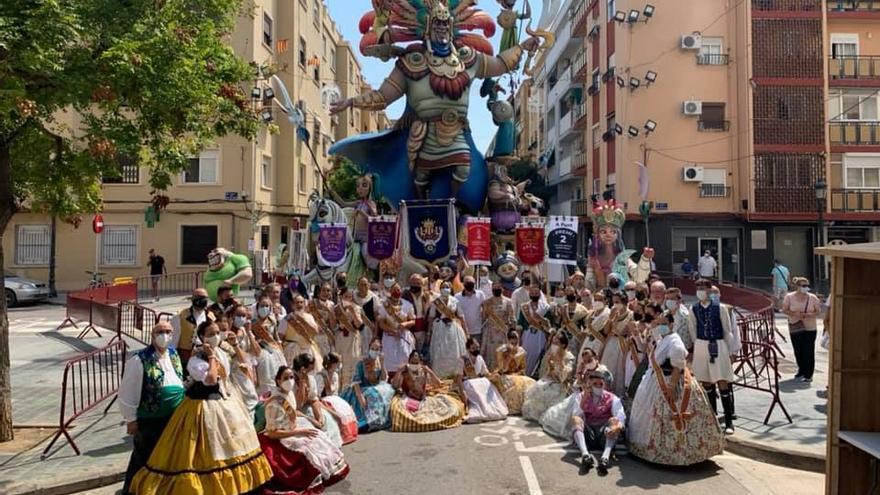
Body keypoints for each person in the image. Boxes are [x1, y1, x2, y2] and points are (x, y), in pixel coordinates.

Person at [129, 320, 272, 493]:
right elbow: (210, 379)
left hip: (226, 402)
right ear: (202, 337)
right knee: (196, 451)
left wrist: (232, 346)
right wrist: (211, 356)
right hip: (201, 408)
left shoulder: (214, 351)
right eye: (211, 334)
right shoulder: (196, 358)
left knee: (230, 446)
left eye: (217, 332)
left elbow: (245, 363)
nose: (215, 336)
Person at [629, 312, 724, 465]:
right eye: (658, 323)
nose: (660, 326)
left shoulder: (675, 341)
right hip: (655, 380)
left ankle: (678, 453)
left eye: (664, 323)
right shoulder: (663, 339)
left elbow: (678, 366)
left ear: (672, 324)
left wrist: (671, 387)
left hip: (670, 382)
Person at [258, 366, 350, 494]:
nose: (289, 381)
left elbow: (293, 411)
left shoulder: (287, 394)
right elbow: (273, 433)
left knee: (318, 436)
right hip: (281, 436)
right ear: (278, 381)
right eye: (285, 378)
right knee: (308, 447)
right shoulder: (274, 403)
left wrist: (310, 420)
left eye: (291, 377)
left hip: (292, 427)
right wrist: (299, 432)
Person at [119, 322, 184, 494]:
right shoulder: (140, 359)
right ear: (152, 335)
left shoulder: (173, 354)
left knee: (167, 457)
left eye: (168, 332)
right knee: (143, 457)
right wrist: (131, 419)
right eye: (160, 332)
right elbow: (128, 391)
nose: (165, 335)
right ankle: (132, 490)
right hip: (151, 419)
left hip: (173, 417)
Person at [688, 279, 736, 435]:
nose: (700, 291)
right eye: (698, 288)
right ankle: (712, 418)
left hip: (719, 345)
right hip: (702, 345)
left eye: (703, 288)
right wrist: (698, 345)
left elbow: (727, 330)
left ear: (709, 290)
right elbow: (693, 328)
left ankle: (728, 421)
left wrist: (730, 351)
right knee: (706, 382)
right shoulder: (694, 308)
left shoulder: (720, 308)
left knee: (722, 380)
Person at [389, 351, 466, 432]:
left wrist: (429, 371)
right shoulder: (404, 371)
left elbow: (437, 384)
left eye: (416, 362)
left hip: (423, 399)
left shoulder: (423, 371)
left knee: (449, 408)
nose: (414, 365)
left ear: (420, 362)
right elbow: (395, 385)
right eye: (412, 362)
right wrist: (399, 371)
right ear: (409, 361)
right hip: (408, 398)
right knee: (402, 412)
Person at [571, 369, 626, 475]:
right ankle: (585, 455)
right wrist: (585, 398)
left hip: (604, 434)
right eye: (595, 384)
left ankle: (605, 458)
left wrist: (617, 427)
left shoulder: (612, 397)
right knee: (575, 419)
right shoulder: (581, 396)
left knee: (614, 420)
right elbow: (577, 415)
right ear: (589, 385)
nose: (598, 386)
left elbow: (621, 416)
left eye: (601, 384)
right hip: (588, 434)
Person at [540, 347, 602, 440]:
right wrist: (579, 374)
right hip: (582, 395)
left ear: (596, 357)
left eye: (590, 360)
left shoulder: (602, 371)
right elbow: (580, 385)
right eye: (585, 362)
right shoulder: (586, 371)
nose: (588, 363)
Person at [340, 338, 396, 432]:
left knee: (389, 389)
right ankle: (367, 422)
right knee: (372, 394)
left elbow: (383, 379)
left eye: (377, 349)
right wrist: (360, 396)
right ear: (369, 348)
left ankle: (381, 419)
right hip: (360, 389)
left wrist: (382, 364)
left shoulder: (379, 361)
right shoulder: (362, 362)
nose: (374, 351)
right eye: (373, 348)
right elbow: (355, 382)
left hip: (374, 387)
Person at [292, 353, 344, 448]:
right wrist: (302, 383)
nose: (311, 373)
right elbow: (297, 406)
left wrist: (318, 416)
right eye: (309, 370)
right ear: (302, 369)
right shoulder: (291, 382)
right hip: (294, 413)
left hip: (308, 408)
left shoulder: (310, 379)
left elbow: (314, 400)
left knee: (326, 420)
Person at [522, 333, 575, 421]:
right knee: (537, 387)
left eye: (556, 343)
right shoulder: (551, 355)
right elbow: (549, 373)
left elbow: (564, 377)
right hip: (551, 380)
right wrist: (550, 367)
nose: (553, 345)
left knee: (548, 393)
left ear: (563, 345)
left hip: (562, 385)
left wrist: (560, 360)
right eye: (553, 343)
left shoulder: (569, 357)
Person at [458, 337, 508, 423]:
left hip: (479, 382)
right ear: (468, 348)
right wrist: (463, 392)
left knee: (487, 384)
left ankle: (490, 410)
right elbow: (459, 378)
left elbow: (486, 373)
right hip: (467, 383)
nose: (476, 350)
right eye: (473, 348)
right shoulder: (462, 359)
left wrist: (494, 375)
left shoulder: (479, 358)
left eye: (477, 347)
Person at [224, 307, 261, 420]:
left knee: (250, 400)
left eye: (244, 316)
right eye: (238, 315)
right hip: (232, 373)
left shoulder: (244, 331)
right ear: (231, 316)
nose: (241, 318)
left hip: (245, 372)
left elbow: (257, 352)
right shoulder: (225, 334)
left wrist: (249, 332)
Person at [315, 352, 359, 445]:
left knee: (345, 410)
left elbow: (335, 392)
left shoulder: (335, 375)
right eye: (338, 363)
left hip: (334, 399)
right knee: (336, 414)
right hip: (323, 400)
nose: (339, 365)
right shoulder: (320, 376)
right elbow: (317, 395)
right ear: (333, 364)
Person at [782, 277, 821, 383]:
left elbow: (818, 312)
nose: (806, 288)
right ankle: (802, 369)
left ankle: (809, 374)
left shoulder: (813, 298)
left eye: (807, 285)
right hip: (795, 326)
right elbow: (784, 309)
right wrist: (794, 314)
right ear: (797, 287)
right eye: (803, 286)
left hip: (810, 327)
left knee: (808, 351)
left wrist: (808, 314)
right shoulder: (789, 297)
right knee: (798, 350)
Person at [428, 280, 469, 378]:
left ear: (451, 289)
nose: (445, 289)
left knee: (454, 351)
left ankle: (455, 374)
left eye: (447, 287)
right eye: (443, 287)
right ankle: (440, 375)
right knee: (440, 351)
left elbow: (461, 316)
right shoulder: (436, 301)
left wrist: (466, 331)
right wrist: (429, 332)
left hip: (453, 328)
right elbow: (431, 317)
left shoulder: (455, 301)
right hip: (440, 328)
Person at [490, 331, 537, 414]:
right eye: (512, 343)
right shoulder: (501, 351)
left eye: (516, 343)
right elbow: (502, 369)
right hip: (503, 374)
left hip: (516, 375)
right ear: (507, 341)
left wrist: (517, 374)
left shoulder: (521, 351)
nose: (515, 345)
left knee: (530, 382)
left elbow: (523, 368)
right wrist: (509, 356)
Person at [377, 283, 416, 376]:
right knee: (389, 360)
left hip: (404, 336)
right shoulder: (384, 305)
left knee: (405, 358)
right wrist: (391, 330)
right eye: (394, 290)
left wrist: (405, 324)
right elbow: (381, 323)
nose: (396, 292)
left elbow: (413, 321)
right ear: (390, 291)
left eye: (398, 290)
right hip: (389, 337)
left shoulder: (408, 305)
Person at [169, 288, 215, 367]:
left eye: (204, 297)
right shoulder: (180, 316)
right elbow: (173, 342)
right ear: (192, 299)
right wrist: (172, 360)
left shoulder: (211, 316)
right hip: (185, 357)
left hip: (205, 356)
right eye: (198, 297)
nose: (201, 300)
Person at [600, 292, 633, 397]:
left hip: (622, 345)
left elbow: (627, 332)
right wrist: (611, 319)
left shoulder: (630, 315)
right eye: (613, 302)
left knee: (619, 372)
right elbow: (606, 331)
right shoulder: (612, 314)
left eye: (617, 302)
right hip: (610, 344)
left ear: (624, 301)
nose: (615, 304)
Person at [279, 295, 323, 371]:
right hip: (293, 351)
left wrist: (302, 320)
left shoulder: (309, 317)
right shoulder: (286, 319)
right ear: (292, 305)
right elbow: (280, 337)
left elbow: (315, 332)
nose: (299, 305)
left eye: (301, 302)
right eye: (297, 302)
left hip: (308, 349)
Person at [481, 280, 516, 369]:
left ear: (502, 289)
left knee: (502, 352)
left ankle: (502, 369)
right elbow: (484, 317)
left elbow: (512, 317)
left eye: (498, 288)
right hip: (490, 332)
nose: (496, 289)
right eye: (494, 288)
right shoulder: (486, 302)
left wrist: (512, 330)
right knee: (490, 353)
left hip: (503, 332)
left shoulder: (508, 302)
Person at [517, 285, 552, 377]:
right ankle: (526, 375)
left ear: (539, 294)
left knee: (539, 354)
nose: (534, 294)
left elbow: (549, 325)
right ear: (529, 294)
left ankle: (535, 375)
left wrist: (540, 318)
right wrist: (519, 338)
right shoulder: (524, 307)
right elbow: (520, 324)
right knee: (526, 354)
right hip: (527, 335)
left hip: (540, 335)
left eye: (536, 293)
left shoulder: (545, 307)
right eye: (532, 293)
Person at [333, 286, 364, 388]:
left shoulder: (356, 308)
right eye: (346, 296)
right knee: (339, 362)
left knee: (352, 362)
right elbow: (333, 324)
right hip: (341, 338)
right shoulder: (336, 308)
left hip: (352, 337)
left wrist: (352, 311)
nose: (348, 299)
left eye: (350, 297)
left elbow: (359, 324)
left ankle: (351, 389)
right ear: (341, 296)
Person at [550, 286, 590, 362]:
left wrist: (582, 334)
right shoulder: (563, 308)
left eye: (571, 292)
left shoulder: (583, 310)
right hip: (562, 336)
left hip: (576, 338)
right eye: (567, 293)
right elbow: (558, 323)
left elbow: (585, 326)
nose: (569, 294)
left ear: (576, 294)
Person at [402, 274, 432, 355]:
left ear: (422, 284)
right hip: (410, 327)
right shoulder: (404, 295)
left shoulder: (426, 295)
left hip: (423, 328)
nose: (415, 285)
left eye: (418, 283)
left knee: (422, 352)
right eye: (413, 283)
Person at [354, 276, 380, 356]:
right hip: (356, 329)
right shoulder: (353, 296)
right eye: (361, 285)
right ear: (357, 285)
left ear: (369, 285)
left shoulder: (374, 298)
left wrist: (375, 334)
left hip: (369, 329)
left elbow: (376, 318)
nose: (363, 287)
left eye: (365, 285)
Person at [309, 283, 338, 358]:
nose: (326, 293)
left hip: (326, 335)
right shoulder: (312, 303)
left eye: (328, 290)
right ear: (319, 292)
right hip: (315, 334)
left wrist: (329, 311)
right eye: (323, 290)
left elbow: (333, 324)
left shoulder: (332, 304)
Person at [456, 275, 486, 344]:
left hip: (477, 330)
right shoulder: (457, 297)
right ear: (463, 283)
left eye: (471, 283)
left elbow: (485, 309)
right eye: (467, 282)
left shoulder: (480, 294)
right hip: (462, 331)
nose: (469, 284)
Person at [578, 291, 610, 358]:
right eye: (595, 300)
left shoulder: (607, 314)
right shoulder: (591, 313)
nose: (597, 302)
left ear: (605, 300)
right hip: (588, 341)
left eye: (600, 300)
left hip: (598, 342)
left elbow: (604, 333)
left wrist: (590, 327)